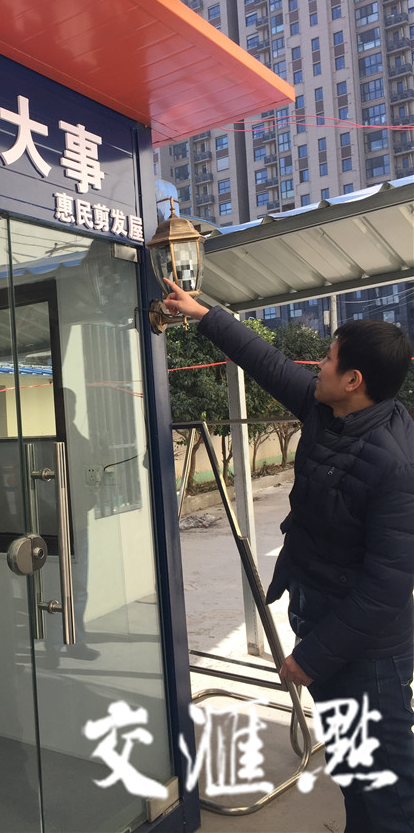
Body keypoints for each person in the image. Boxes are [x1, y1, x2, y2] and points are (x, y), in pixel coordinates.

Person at [163, 278, 414, 833]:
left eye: (328, 359)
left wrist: (313, 656)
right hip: (321, 620)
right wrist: (202, 313)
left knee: (390, 794)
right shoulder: (327, 411)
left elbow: (387, 587)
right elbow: (266, 362)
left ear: (354, 380)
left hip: (370, 658)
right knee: (353, 773)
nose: (317, 366)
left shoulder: (396, 464)